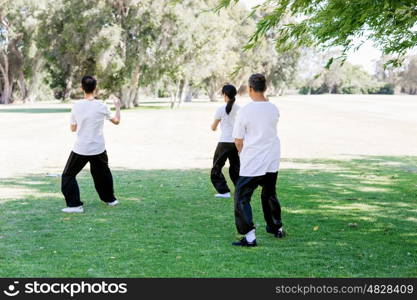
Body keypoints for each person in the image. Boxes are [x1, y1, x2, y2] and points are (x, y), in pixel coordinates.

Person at [231, 74, 284, 247]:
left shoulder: (245, 111)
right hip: (272, 157)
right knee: (269, 193)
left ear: (250, 88)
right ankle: (276, 227)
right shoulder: (273, 108)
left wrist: (241, 153)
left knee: (241, 197)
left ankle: (249, 236)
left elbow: (238, 140)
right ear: (265, 88)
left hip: (253, 159)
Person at [61, 75, 121, 213]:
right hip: (98, 147)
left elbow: (73, 129)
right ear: (95, 88)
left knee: (68, 176)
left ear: (82, 88)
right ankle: (110, 200)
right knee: (103, 174)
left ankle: (75, 206)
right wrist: (117, 106)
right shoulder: (102, 106)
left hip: (82, 148)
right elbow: (116, 121)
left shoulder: (76, 106)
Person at [210, 84, 240, 198]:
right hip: (236, 142)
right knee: (236, 168)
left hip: (224, 143)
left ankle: (224, 191)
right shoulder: (240, 109)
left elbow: (213, 127)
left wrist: (215, 127)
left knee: (216, 168)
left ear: (225, 95)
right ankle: (240, 191)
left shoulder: (220, 109)